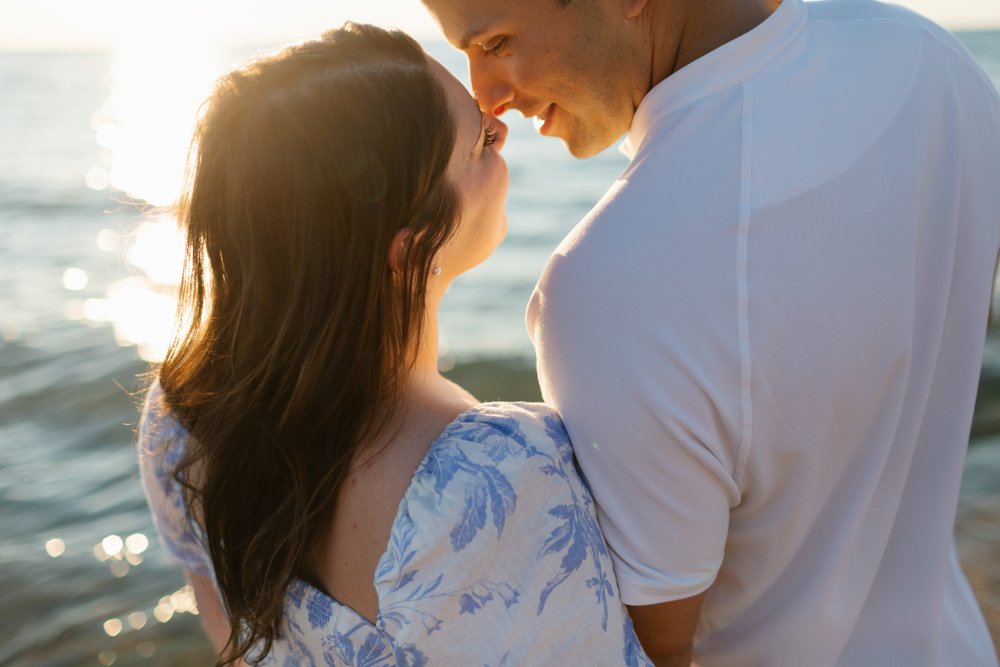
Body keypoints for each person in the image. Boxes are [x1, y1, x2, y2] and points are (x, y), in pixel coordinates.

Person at [421, 0, 1000, 664]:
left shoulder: (615, 280)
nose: (486, 98)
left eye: (496, 42)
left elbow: (650, 652)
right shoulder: (933, 63)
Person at [136, 23, 652, 667]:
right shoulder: (490, 481)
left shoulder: (180, 418)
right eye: (483, 142)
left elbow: (230, 639)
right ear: (411, 251)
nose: (505, 129)